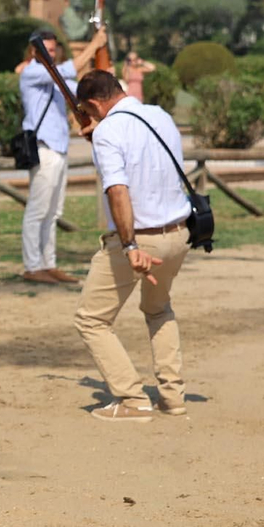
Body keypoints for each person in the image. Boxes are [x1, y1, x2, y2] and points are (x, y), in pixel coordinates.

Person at [70, 69, 193, 422]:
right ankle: (173, 396)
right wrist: (101, 136)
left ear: (94, 103)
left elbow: (118, 191)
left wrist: (129, 246)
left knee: (91, 320)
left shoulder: (109, 130)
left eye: (88, 111)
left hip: (140, 240)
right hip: (178, 233)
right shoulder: (160, 116)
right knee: (158, 310)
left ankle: (132, 398)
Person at [16, 26, 107, 285]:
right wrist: (95, 43)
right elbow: (66, 70)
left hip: (59, 147)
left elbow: (81, 90)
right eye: (47, 49)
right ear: (35, 51)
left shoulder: (55, 76)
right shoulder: (33, 72)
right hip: (43, 148)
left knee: (53, 211)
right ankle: (32, 265)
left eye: (54, 49)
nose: (51, 54)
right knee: (38, 209)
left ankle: (48, 264)